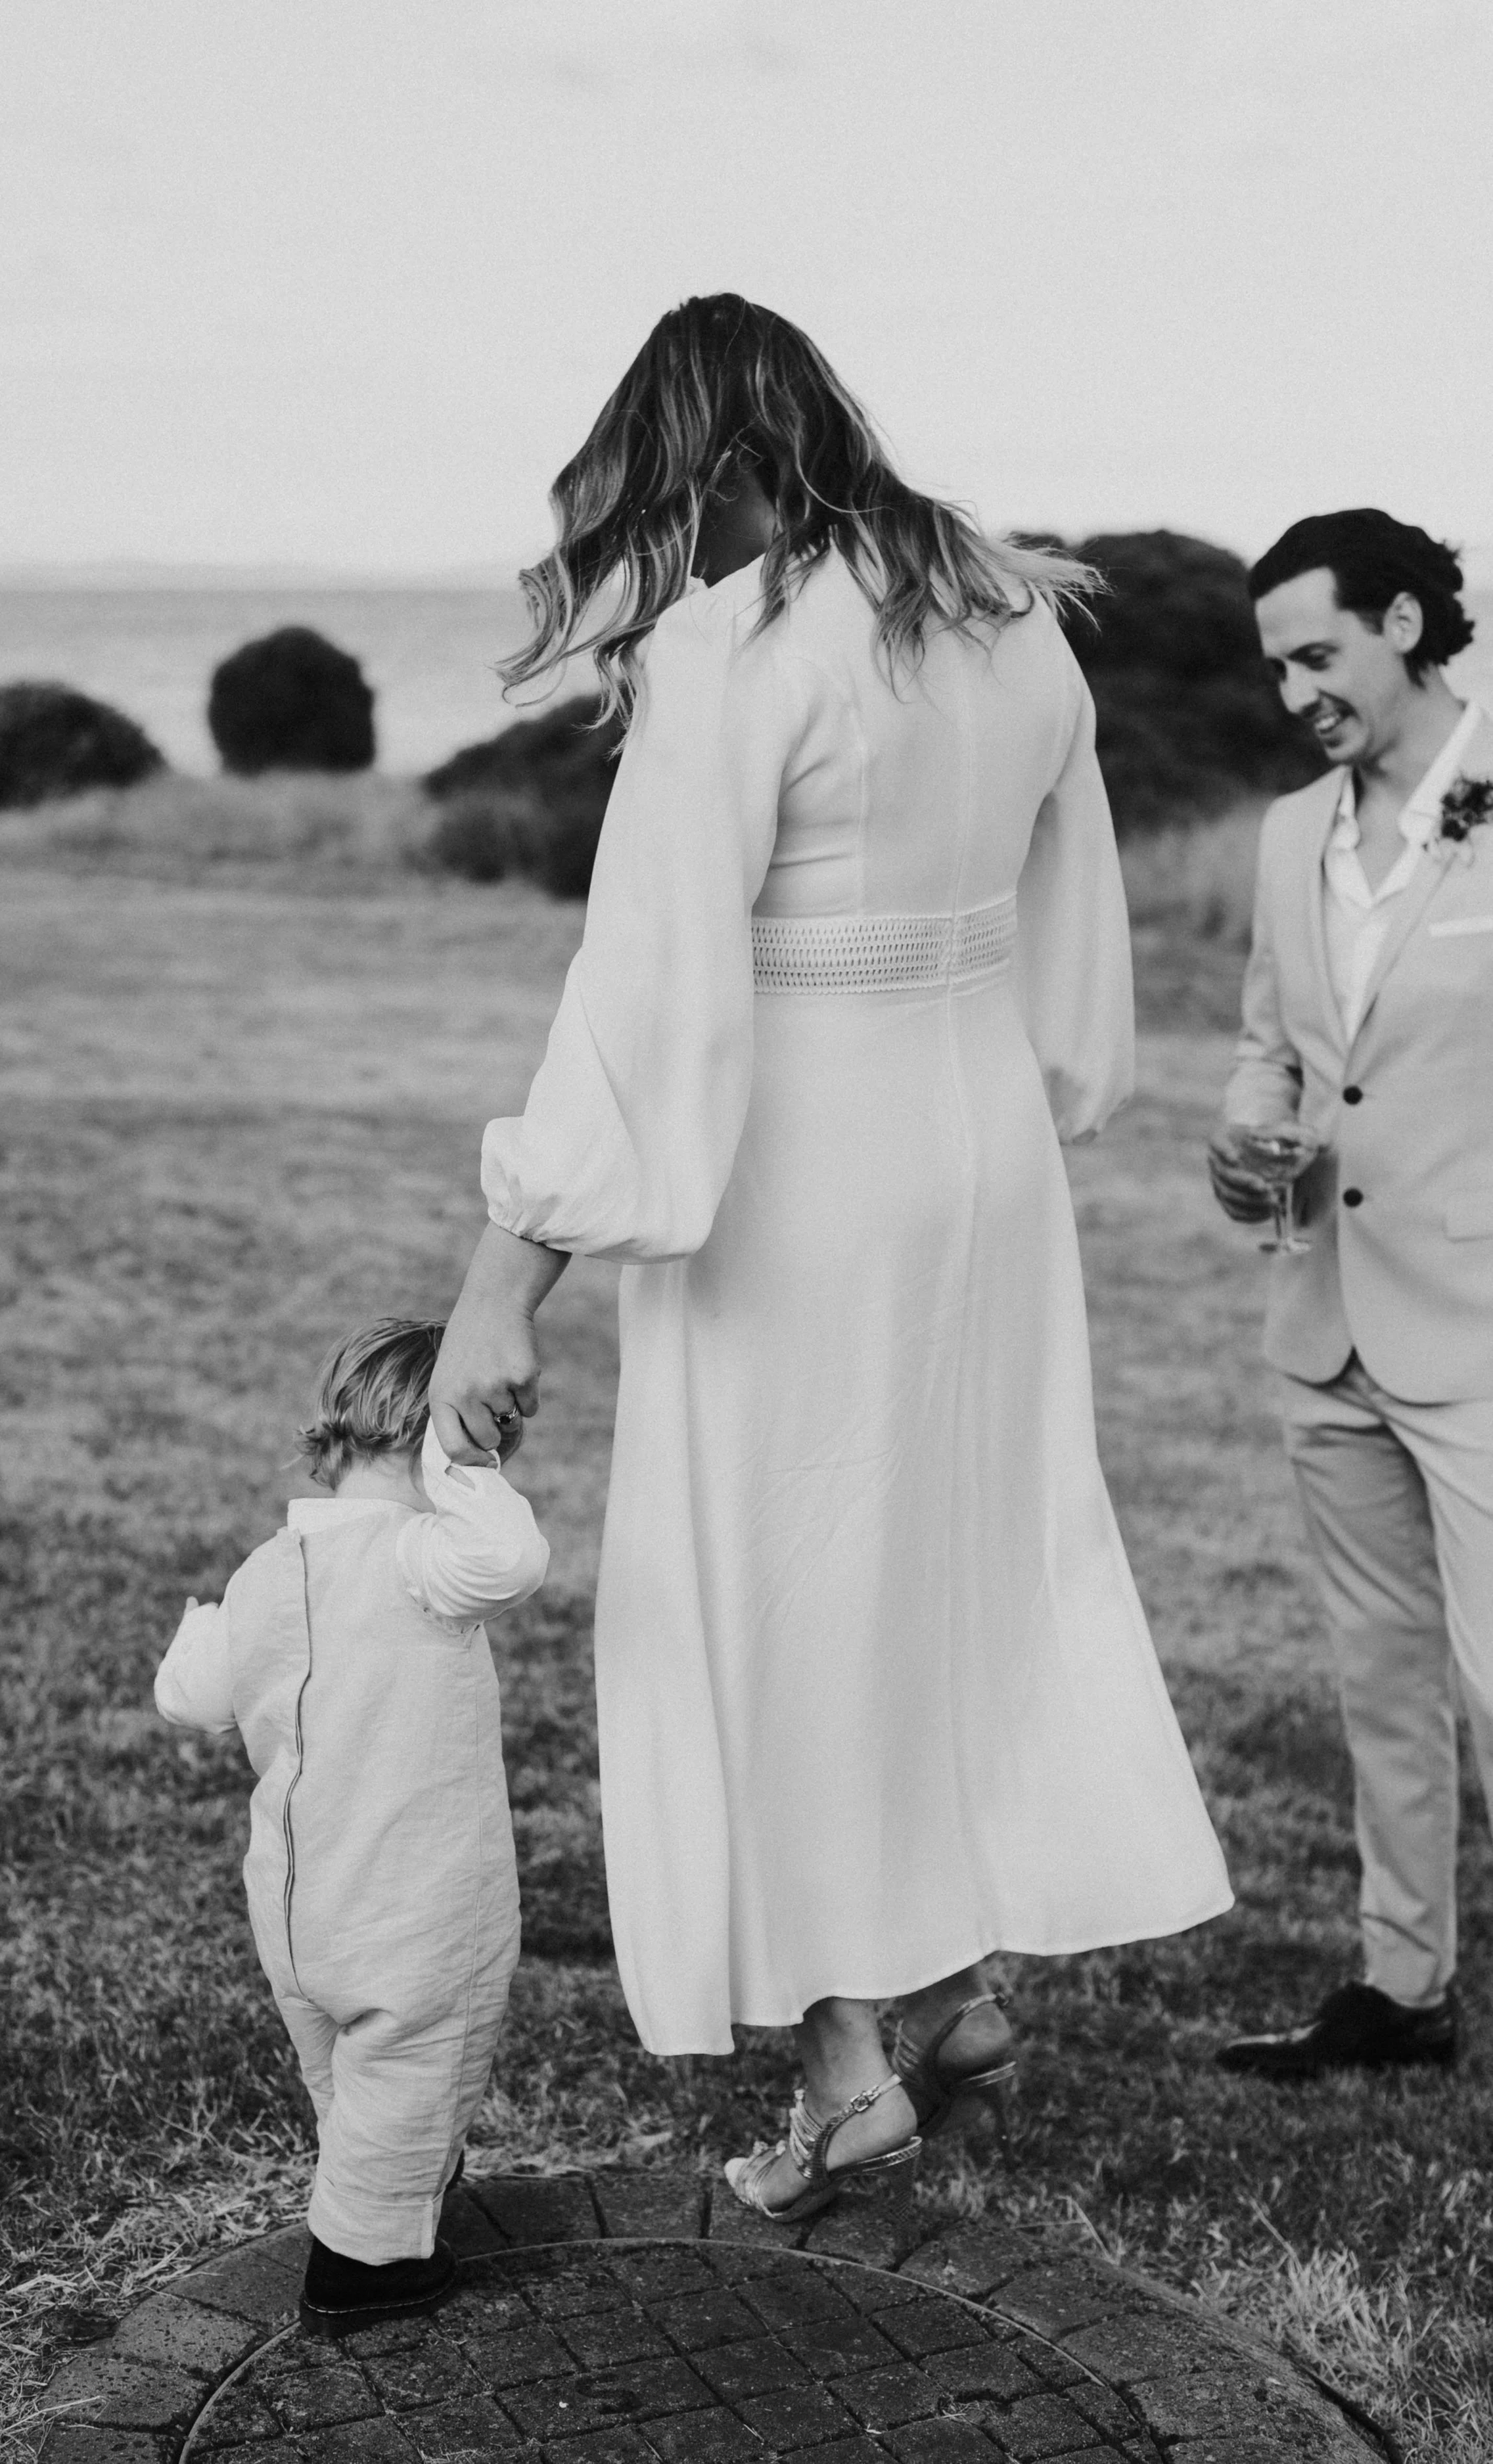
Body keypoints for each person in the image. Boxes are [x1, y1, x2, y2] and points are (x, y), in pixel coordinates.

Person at [431, 294, 1231, 2220]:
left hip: (800, 1174)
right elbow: (1073, 912)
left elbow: (641, 993)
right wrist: (1029, 1081)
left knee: (766, 1594)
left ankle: (847, 2061)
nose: (657, 552)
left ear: (705, 465)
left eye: (654, 503)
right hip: (979, 1165)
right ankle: (948, 1981)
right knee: (939, 1561)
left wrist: (500, 1274)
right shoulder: (1008, 615)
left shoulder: (733, 646)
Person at [1209, 510, 1492, 2080]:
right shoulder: (1282, 835)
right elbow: (1274, 1040)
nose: (1293, 693)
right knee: (1380, 1678)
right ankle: (1401, 1991)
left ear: (1400, 621)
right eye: (1273, 669)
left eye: (1315, 655)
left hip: (1479, 1324)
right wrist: (1240, 1136)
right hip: (1323, 1323)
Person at [153, 1318, 547, 2329]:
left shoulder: (265, 1571)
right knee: (421, 2056)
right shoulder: (426, 1558)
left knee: (352, 2084)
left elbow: (186, 1695)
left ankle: (378, 2192)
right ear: (447, 1438)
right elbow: (515, 1557)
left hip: (296, 1904)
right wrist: (466, 1467)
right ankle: (361, 2268)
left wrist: (209, 1624)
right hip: (411, 1900)